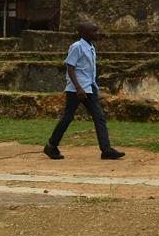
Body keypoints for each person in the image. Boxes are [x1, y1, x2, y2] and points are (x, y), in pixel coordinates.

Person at [43, 22, 125, 160]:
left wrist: (90, 86)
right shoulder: (77, 47)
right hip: (77, 89)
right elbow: (70, 67)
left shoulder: (91, 47)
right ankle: (51, 145)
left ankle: (106, 150)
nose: (96, 34)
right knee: (67, 118)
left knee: (99, 117)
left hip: (89, 87)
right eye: (93, 31)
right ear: (83, 33)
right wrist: (78, 88)